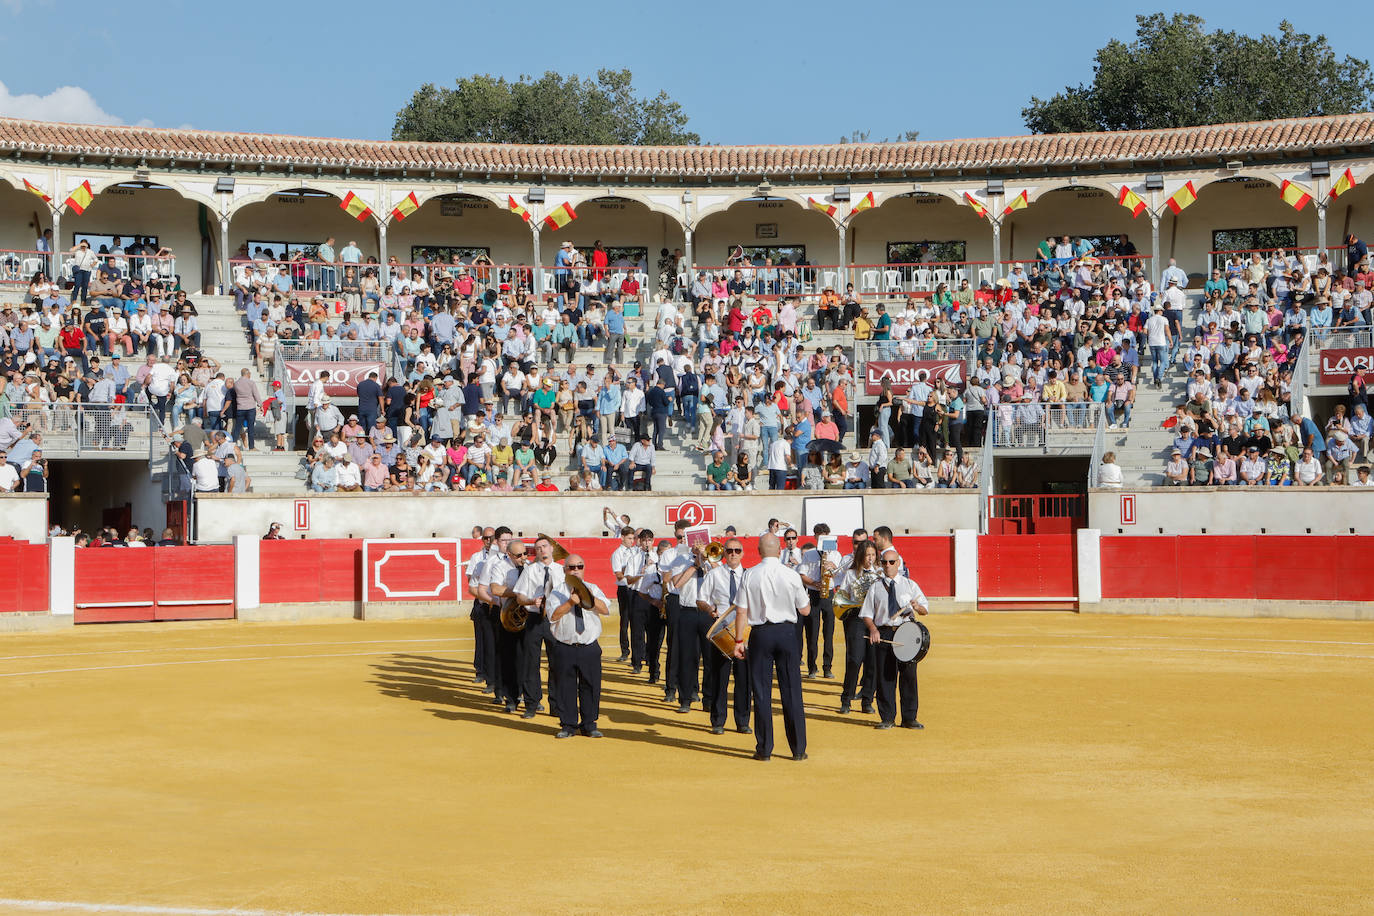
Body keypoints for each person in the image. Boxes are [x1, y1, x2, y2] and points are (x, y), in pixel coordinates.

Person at [732, 532, 810, 761]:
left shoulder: (750, 575)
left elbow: (741, 611)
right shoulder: (791, 575)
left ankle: (764, 749)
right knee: (792, 691)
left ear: (758, 551)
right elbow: (804, 609)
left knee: (762, 692)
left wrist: (738, 641)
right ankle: (798, 749)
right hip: (787, 632)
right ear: (779, 550)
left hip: (761, 633)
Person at [860, 547, 929, 730]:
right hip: (884, 634)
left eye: (892, 562)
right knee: (885, 677)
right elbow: (866, 613)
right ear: (880, 565)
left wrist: (917, 606)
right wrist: (873, 629)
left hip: (906, 633)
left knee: (908, 677)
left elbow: (925, 609)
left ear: (898, 563)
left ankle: (909, 717)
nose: (888, 565)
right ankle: (887, 718)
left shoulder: (910, 585)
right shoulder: (875, 587)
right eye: (884, 562)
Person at [546, 554, 610, 738]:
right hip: (565, 645)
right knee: (565, 686)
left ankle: (589, 724)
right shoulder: (557, 592)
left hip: (588, 645)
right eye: (571, 567)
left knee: (591, 685)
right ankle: (567, 724)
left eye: (579, 566)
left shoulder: (593, 588)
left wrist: (587, 597)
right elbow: (553, 616)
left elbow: (605, 609)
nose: (575, 570)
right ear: (565, 570)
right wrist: (570, 602)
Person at [699, 537, 752, 735]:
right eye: (729, 550)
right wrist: (709, 609)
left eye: (737, 550)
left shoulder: (749, 575)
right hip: (721, 631)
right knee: (718, 677)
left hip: (744, 631)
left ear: (742, 553)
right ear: (724, 552)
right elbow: (701, 599)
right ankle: (718, 720)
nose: (733, 554)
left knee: (744, 678)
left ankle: (743, 721)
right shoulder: (714, 574)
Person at [609, 526, 637, 663]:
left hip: (636, 588)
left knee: (637, 621)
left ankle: (638, 653)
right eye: (629, 538)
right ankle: (625, 651)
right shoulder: (617, 553)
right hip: (624, 589)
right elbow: (619, 575)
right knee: (625, 620)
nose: (632, 541)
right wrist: (630, 570)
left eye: (633, 538)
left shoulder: (636, 551)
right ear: (622, 537)